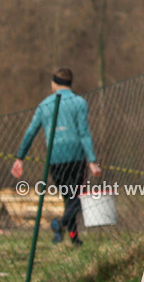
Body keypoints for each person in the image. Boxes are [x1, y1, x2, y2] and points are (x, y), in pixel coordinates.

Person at [10, 68, 101, 247]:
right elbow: (84, 133)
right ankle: (61, 224)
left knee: (69, 198)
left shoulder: (44, 105)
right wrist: (91, 160)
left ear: (54, 83)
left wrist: (20, 157)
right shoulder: (79, 102)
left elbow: (30, 132)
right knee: (77, 198)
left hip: (55, 159)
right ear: (70, 83)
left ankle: (73, 237)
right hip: (76, 158)